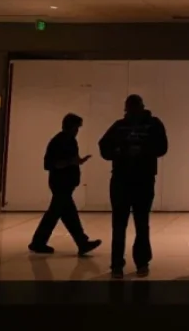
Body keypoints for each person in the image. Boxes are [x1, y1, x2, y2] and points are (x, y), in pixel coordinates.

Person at [98, 95, 168, 279]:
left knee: (137, 223)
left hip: (139, 179)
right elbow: (104, 147)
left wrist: (141, 151)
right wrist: (120, 152)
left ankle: (135, 263)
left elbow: (162, 147)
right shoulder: (121, 125)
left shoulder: (151, 124)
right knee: (127, 224)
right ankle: (122, 265)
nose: (131, 112)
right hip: (125, 179)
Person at [29, 113, 101, 255]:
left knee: (63, 214)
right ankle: (79, 242)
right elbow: (49, 164)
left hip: (65, 184)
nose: (77, 131)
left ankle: (80, 242)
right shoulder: (59, 141)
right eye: (76, 127)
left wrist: (78, 161)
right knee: (60, 214)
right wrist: (70, 163)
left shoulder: (70, 141)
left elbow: (69, 160)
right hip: (60, 184)